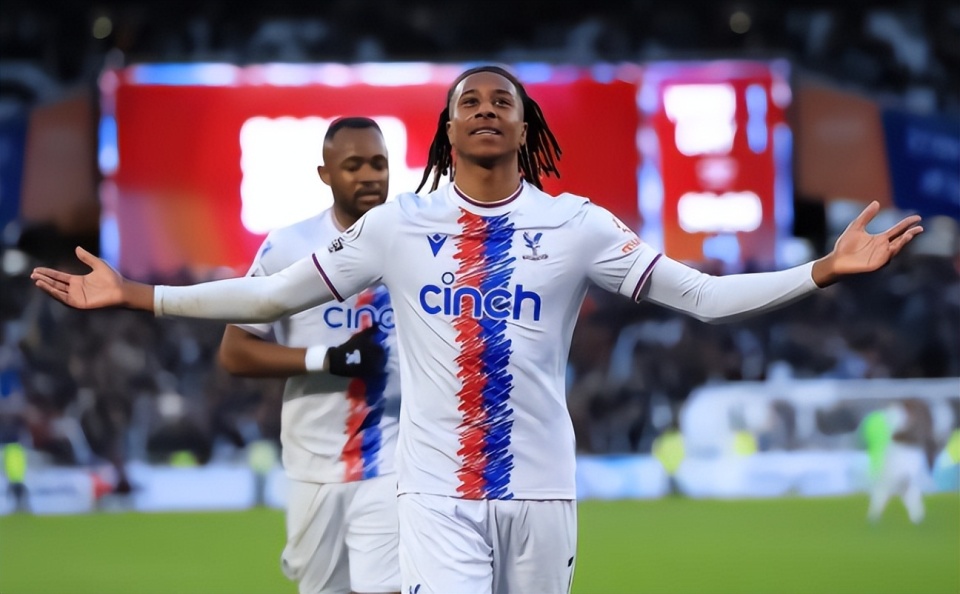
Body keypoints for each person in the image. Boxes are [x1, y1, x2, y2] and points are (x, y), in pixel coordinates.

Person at [31, 65, 923, 594]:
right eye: (470, 101)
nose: (487, 107)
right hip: (433, 498)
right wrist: (137, 294)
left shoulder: (578, 225)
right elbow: (270, 297)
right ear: (448, 129)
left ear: (526, 126)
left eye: (503, 100)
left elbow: (704, 297)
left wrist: (820, 270)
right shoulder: (397, 226)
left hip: (542, 493)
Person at [218, 117, 401, 594]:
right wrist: (328, 360)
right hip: (313, 463)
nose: (369, 176)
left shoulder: (419, 245)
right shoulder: (289, 248)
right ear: (326, 174)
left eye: (378, 163)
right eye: (353, 166)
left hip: (398, 459)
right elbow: (235, 352)